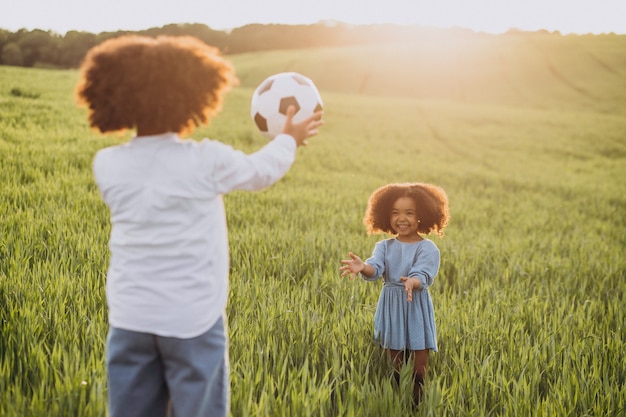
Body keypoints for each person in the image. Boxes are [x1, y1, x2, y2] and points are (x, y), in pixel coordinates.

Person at [75, 35, 323, 417]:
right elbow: (261, 172)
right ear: (194, 100)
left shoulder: (107, 164)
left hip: (130, 317)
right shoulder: (207, 160)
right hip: (192, 318)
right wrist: (288, 139)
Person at [339, 182, 449, 407]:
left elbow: (424, 274)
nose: (402, 218)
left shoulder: (428, 248)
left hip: (415, 304)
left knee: (419, 368)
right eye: (395, 212)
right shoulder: (384, 246)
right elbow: (375, 268)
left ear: (422, 216)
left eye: (410, 213)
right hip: (391, 307)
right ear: (385, 215)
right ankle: (396, 403)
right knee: (396, 367)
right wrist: (363, 268)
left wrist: (413, 282)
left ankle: (417, 404)